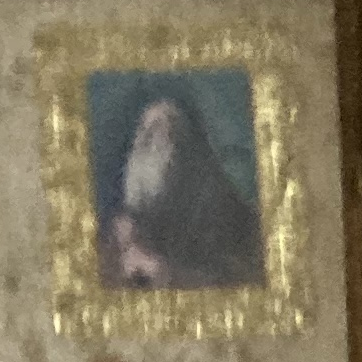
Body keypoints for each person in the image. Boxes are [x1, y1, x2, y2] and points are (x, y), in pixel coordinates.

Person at [98, 86, 265, 292]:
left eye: (164, 130)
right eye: (146, 134)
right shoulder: (124, 228)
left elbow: (242, 278)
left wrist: (167, 272)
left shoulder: (224, 208)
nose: (151, 144)